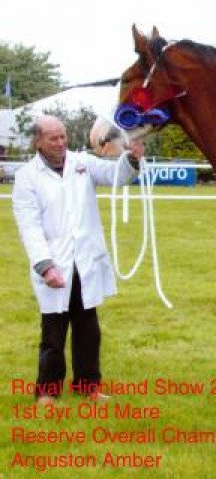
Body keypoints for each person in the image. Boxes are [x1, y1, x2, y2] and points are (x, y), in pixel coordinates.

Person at [12, 115, 143, 404]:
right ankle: (47, 391)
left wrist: (132, 159)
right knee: (53, 335)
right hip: (55, 265)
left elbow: (116, 176)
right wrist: (46, 267)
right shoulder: (26, 178)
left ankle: (88, 387)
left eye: (63, 136)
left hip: (85, 262)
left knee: (88, 331)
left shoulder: (82, 162)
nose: (61, 143)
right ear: (38, 142)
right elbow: (30, 227)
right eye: (53, 138)